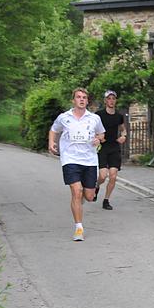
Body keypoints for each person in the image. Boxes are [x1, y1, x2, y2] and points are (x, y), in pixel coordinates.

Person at [48, 88, 105, 241]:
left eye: (84, 97)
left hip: (89, 160)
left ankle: (88, 193)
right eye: (78, 97)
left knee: (89, 195)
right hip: (70, 159)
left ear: (87, 101)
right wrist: (51, 142)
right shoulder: (64, 117)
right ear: (73, 100)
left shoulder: (94, 119)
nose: (81, 99)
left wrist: (98, 139)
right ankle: (78, 228)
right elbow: (53, 130)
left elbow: (101, 134)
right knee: (76, 191)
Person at [94, 90, 127, 210]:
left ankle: (106, 200)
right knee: (103, 176)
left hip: (114, 147)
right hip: (103, 147)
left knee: (113, 176)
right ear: (105, 101)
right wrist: (98, 137)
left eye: (113, 98)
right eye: (109, 98)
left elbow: (123, 129)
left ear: (115, 101)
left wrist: (123, 136)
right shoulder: (98, 115)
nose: (111, 100)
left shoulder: (119, 116)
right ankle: (96, 186)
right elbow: (92, 130)